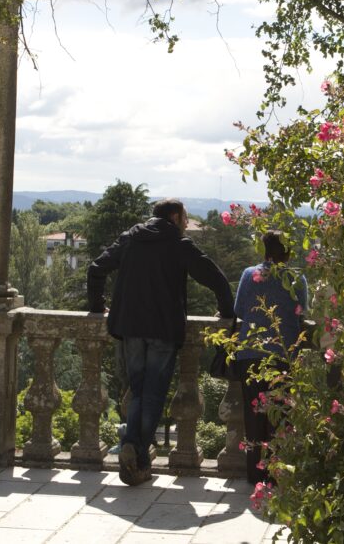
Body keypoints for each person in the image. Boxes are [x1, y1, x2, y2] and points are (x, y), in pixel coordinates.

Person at [87, 198, 236, 486]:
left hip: (129, 326)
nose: (186, 223)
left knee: (138, 389)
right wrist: (227, 312)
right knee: (153, 394)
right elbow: (215, 277)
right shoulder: (178, 244)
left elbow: (96, 268)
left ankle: (134, 450)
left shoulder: (131, 238)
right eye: (185, 218)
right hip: (163, 330)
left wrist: (97, 306)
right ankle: (137, 452)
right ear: (175, 216)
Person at [233, 230, 309, 484]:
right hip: (284, 352)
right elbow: (302, 311)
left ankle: (255, 474)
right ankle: (277, 473)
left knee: (253, 413)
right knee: (281, 414)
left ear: (263, 249)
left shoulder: (249, 275)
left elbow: (239, 309)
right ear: (288, 252)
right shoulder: (297, 278)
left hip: (251, 351)